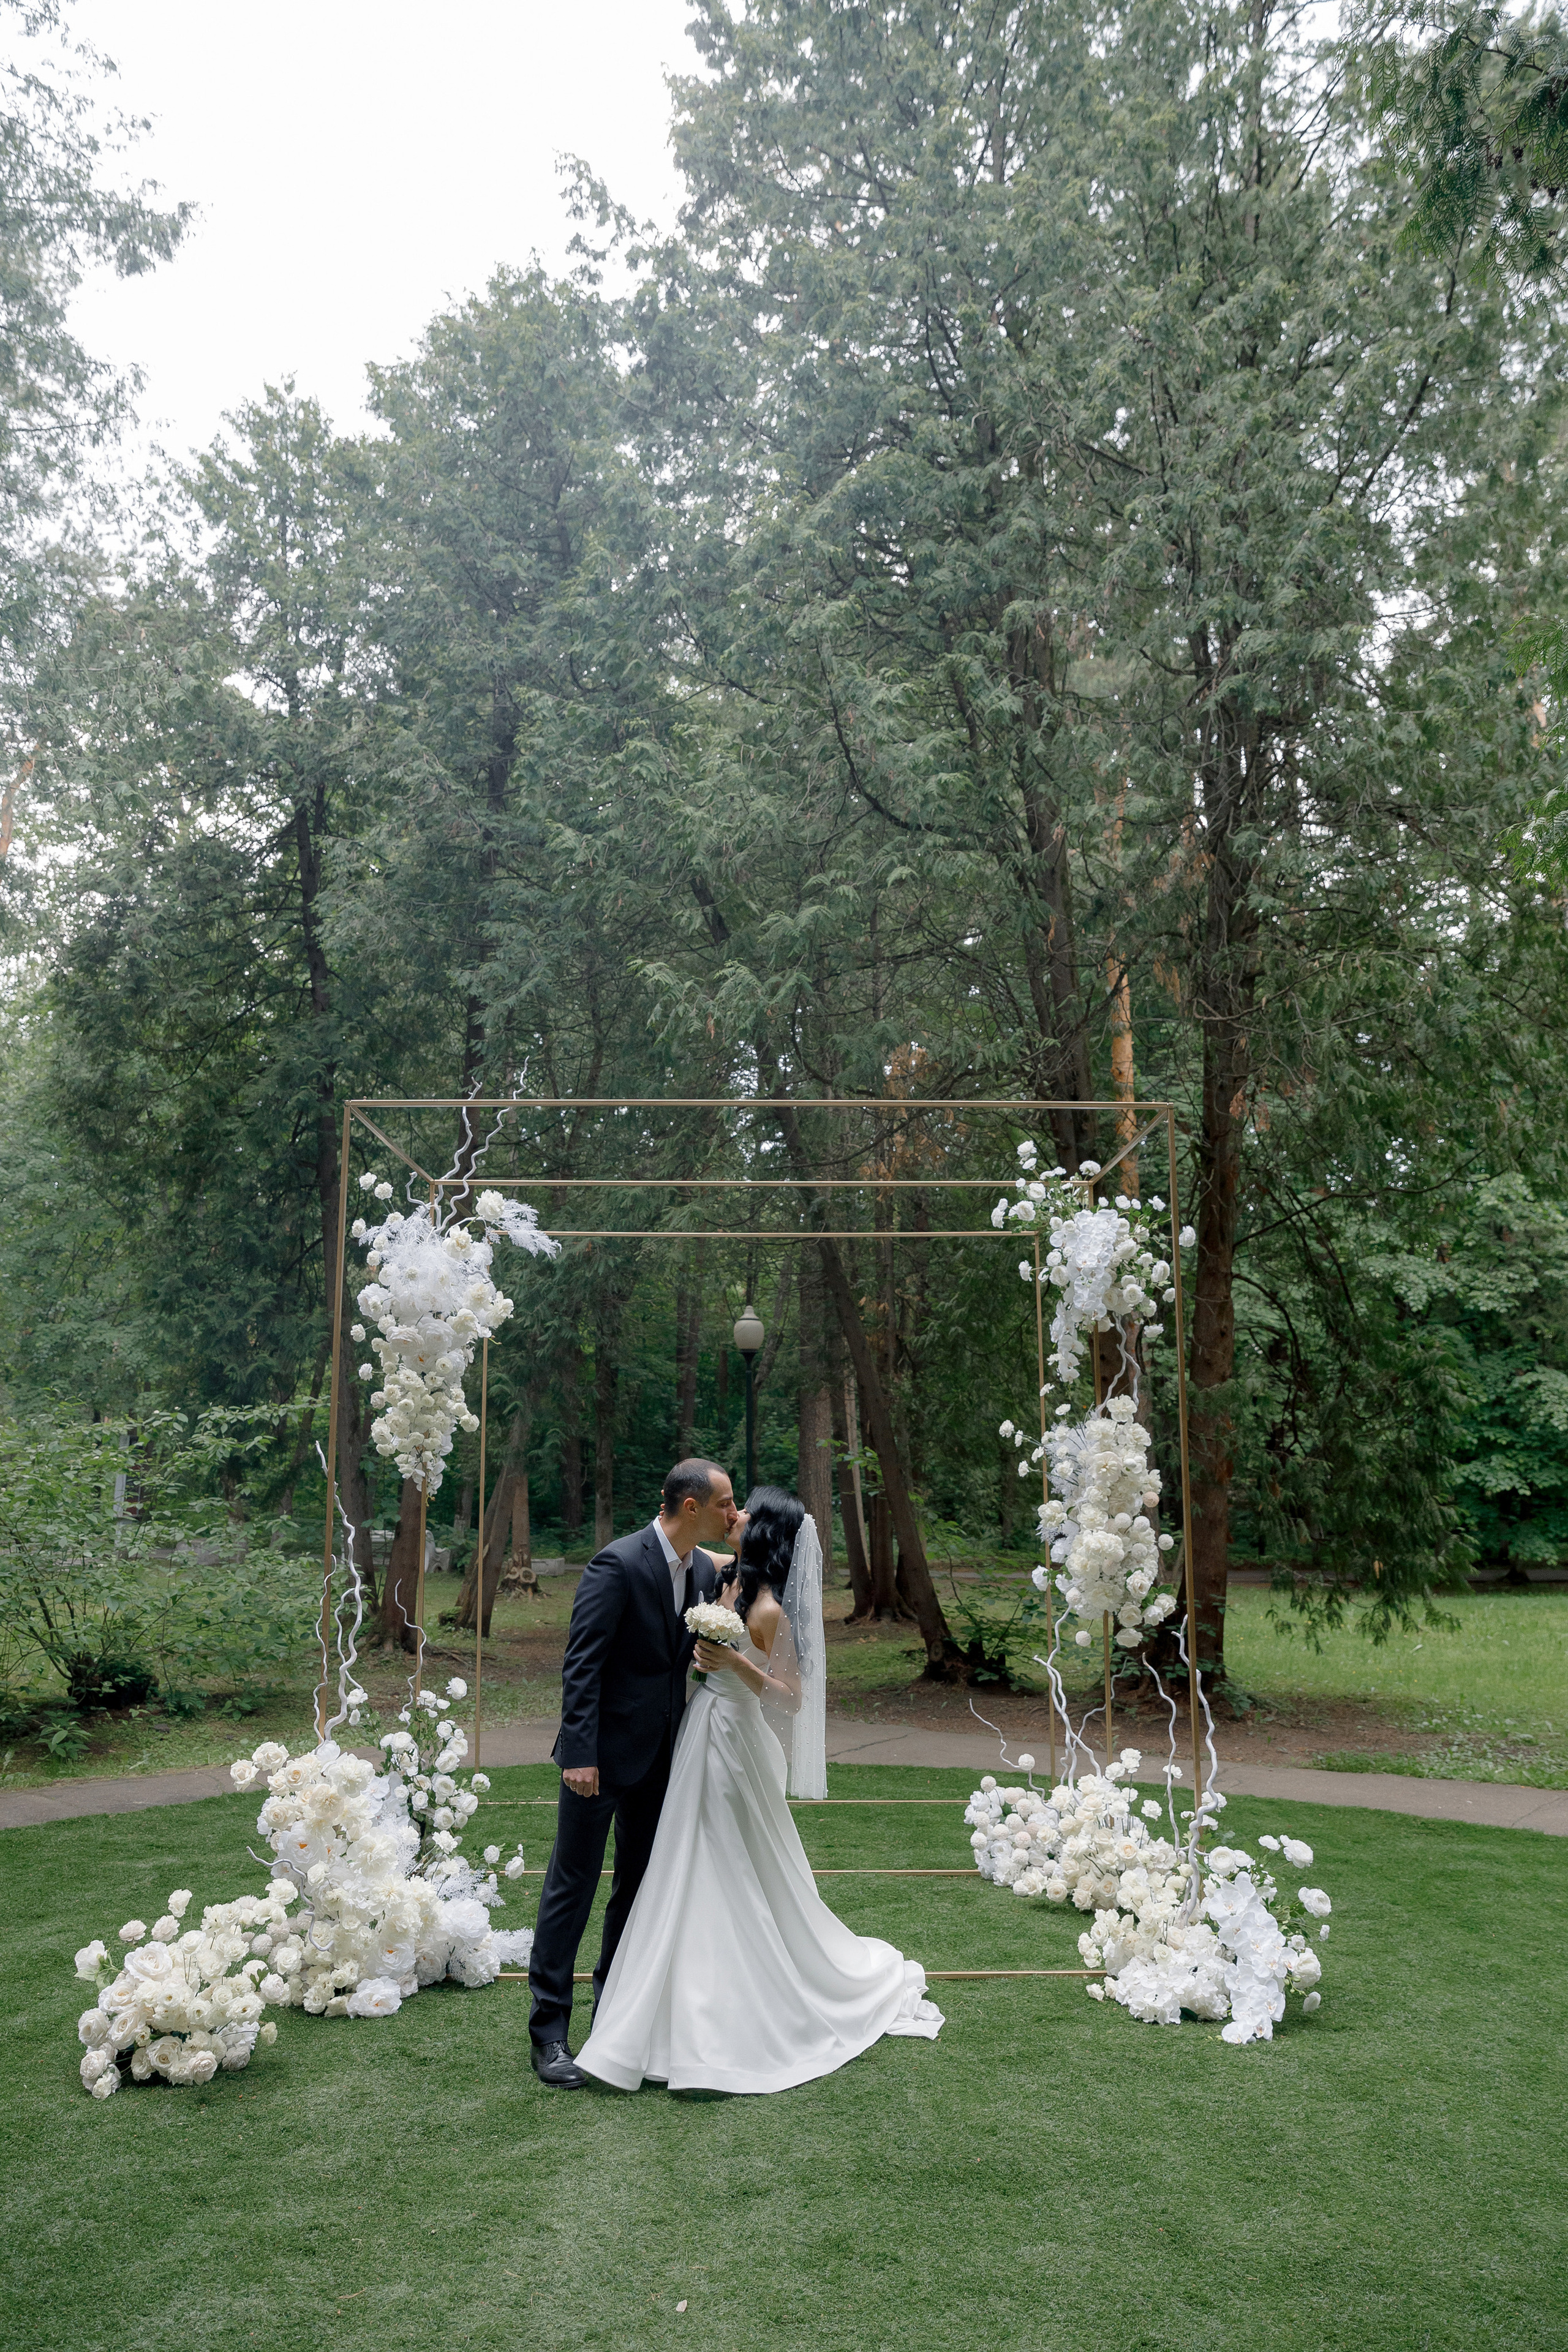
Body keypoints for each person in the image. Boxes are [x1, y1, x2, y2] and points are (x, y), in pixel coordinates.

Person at [574, 1485, 944, 2097]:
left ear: (766, 1532)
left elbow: (793, 1699)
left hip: (736, 1740)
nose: (735, 1515)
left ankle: (719, 2028)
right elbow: (676, 1549)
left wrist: (735, 1665)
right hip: (700, 1732)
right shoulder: (724, 1579)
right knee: (682, 1859)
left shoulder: (770, 1609)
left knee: (724, 1862)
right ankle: (666, 2012)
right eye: (732, 1505)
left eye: (745, 1511)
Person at [527, 1458, 739, 2087]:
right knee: (574, 1886)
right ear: (691, 1506)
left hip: (661, 1758)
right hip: (599, 1761)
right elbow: (582, 1666)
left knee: (638, 1888)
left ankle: (613, 2018)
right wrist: (582, 1754)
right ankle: (549, 2034)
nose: (733, 1514)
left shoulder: (703, 1569)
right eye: (726, 1503)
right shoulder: (616, 1564)